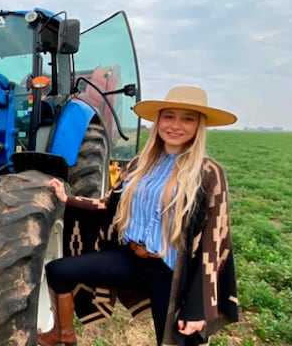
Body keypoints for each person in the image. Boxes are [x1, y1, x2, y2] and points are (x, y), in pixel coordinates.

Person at [39, 86, 239, 346]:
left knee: (175, 340)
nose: (175, 125)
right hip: (131, 257)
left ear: (199, 126)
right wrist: (69, 199)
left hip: (170, 271)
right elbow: (110, 203)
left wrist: (197, 307)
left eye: (187, 119)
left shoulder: (208, 172)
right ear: (158, 121)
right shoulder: (139, 164)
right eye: (169, 117)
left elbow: (214, 243)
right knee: (58, 271)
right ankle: (62, 333)